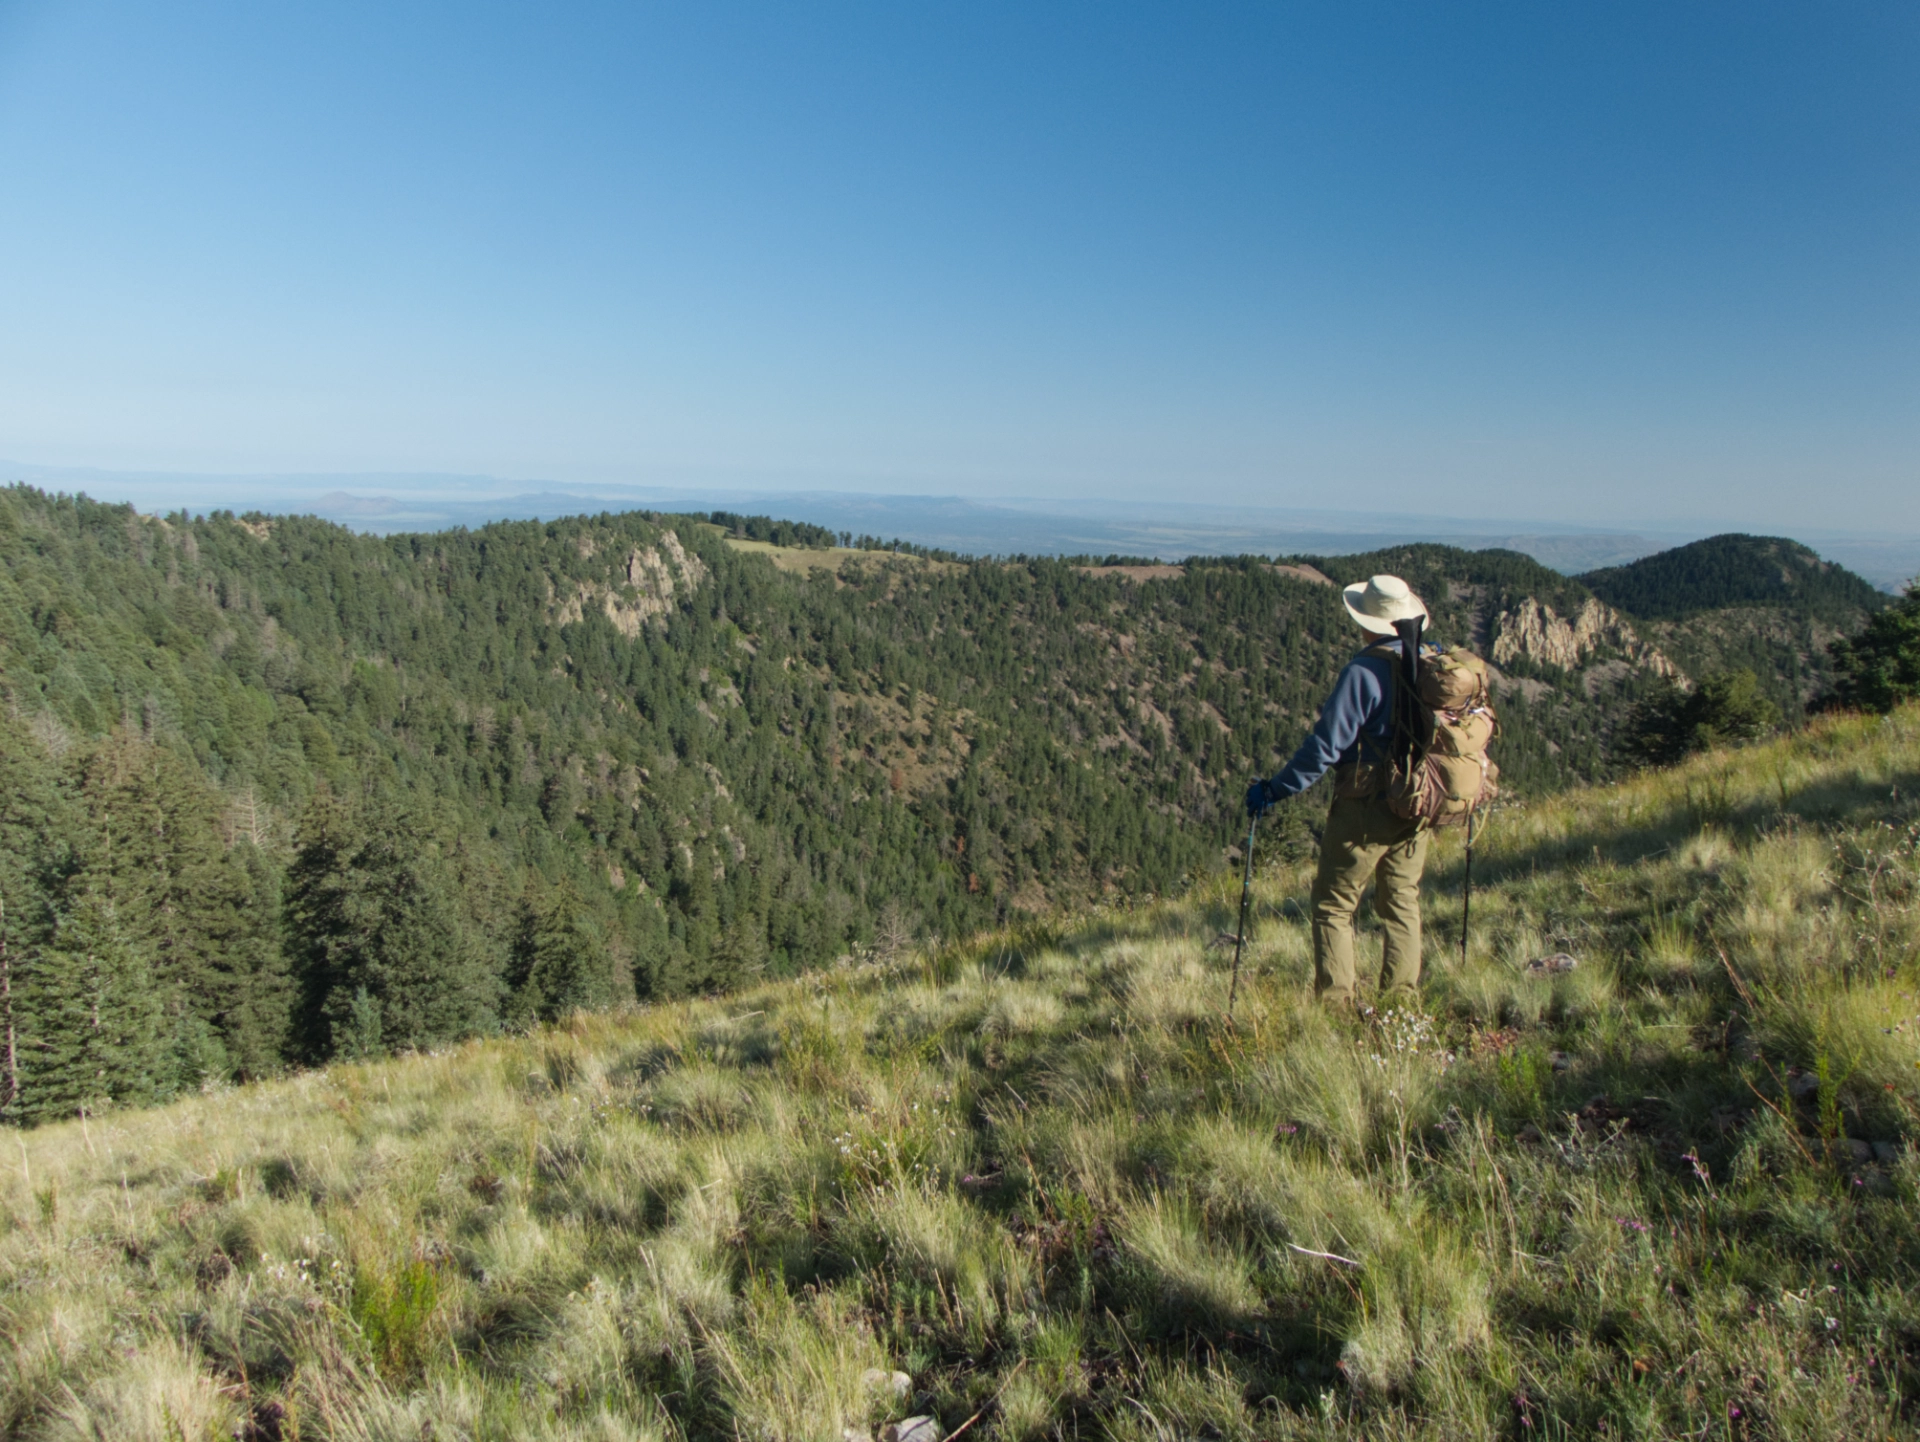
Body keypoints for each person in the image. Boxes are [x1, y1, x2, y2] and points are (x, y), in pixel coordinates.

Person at [1244, 573, 1432, 1008]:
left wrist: (1275, 790)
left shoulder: (1365, 672)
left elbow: (1324, 748)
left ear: (1369, 621)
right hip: (1420, 799)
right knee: (1402, 901)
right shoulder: (1429, 660)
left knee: (1333, 904)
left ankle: (1336, 1007)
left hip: (1367, 804)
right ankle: (1401, 1008)